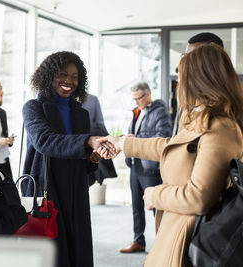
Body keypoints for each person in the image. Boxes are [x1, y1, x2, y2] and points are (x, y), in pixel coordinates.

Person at [98, 43, 243, 266]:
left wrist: (155, 194)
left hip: (187, 238)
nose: (180, 85)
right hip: (177, 231)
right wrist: (123, 144)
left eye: (182, 77)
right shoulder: (205, 120)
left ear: (199, 80)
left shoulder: (220, 127)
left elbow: (198, 197)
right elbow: (173, 146)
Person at [22, 51, 103, 267]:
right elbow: (45, 141)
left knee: (78, 249)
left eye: (75, 77)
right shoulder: (33, 108)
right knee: (52, 254)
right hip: (47, 188)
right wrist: (88, 142)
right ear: (49, 75)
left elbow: (82, 161)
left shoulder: (81, 113)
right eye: (62, 74)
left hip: (76, 191)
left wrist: (93, 158)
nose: (69, 81)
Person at [117, 82, 172, 253]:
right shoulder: (137, 111)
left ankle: (164, 244)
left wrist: (136, 139)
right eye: (134, 99)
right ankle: (138, 241)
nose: (136, 102)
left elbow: (164, 137)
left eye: (139, 98)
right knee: (136, 208)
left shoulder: (160, 111)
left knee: (156, 207)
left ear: (148, 95)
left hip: (150, 167)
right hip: (135, 164)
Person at [173, 32, 224, 136]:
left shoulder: (226, 108)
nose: (186, 62)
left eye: (193, 57)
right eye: (186, 56)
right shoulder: (188, 101)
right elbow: (175, 141)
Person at [83, 93, 117, 185]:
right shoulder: (59, 99)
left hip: (90, 150)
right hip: (71, 152)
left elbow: (100, 125)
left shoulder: (92, 99)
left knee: (87, 183)